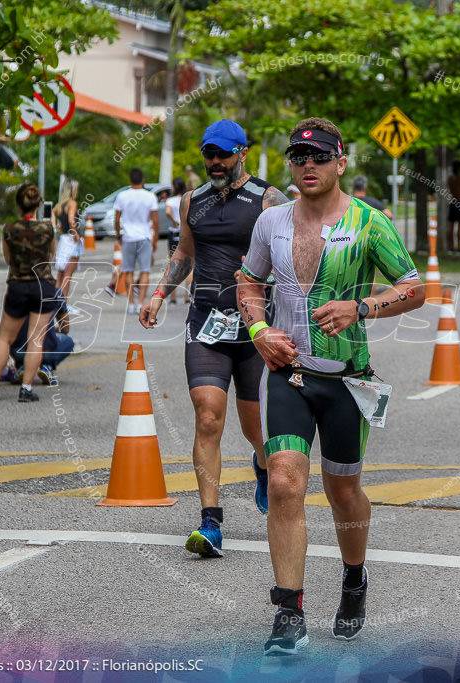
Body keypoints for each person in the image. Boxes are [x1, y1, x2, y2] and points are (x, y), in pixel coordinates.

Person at [237, 117, 424, 655]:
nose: (308, 165)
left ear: (341, 163)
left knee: (343, 491)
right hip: (289, 377)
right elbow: (248, 282)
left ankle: (354, 577)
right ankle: (288, 612)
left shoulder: (370, 223)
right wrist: (258, 331)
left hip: (348, 381)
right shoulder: (270, 222)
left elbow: (414, 290)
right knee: (285, 483)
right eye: (299, 157)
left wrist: (360, 306)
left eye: (319, 156)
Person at [140, 119, 286, 558]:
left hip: (257, 328)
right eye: (209, 154)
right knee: (207, 417)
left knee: (255, 427)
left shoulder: (268, 199)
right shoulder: (192, 201)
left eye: (223, 154)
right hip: (206, 322)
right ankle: (210, 523)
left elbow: (288, 254)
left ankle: (262, 464)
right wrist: (160, 293)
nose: (215, 162)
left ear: (242, 152)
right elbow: (185, 251)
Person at [0, 183, 58, 403]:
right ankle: (26, 389)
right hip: (43, 286)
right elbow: (52, 256)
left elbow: (8, 260)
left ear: (18, 205)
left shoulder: (9, 230)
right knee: (36, 339)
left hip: (18, 285)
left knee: (5, 338)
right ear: (38, 204)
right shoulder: (48, 230)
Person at [114, 168, 158, 315]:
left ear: (130, 180)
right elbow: (155, 220)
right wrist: (155, 239)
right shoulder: (150, 196)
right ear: (143, 180)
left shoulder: (122, 195)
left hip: (128, 236)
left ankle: (131, 303)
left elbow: (116, 218)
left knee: (128, 271)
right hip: (144, 236)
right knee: (145, 270)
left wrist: (118, 234)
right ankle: (141, 303)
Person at [9, 299, 74, 386]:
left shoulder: (18, 290)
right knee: (68, 341)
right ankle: (47, 366)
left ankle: (23, 367)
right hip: (45, 351)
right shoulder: (55, 292)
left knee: (8, 339)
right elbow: (65, 329)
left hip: (19, 351)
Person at [52, 178, 82, 333]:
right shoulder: (72, 203)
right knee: (68, 275)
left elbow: (52, 213)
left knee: (60, 274)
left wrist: (56, 225)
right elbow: (72, 219)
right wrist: (75, 233)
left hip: (62, 239)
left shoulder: (60, 204)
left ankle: (56, 302)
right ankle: (63, 304)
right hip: (70, 240)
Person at [163, 177, 190, 304]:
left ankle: (173, 296)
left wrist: (174, 221)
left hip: (174, 231)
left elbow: (168, 212)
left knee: (173, 262)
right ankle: (187, 296)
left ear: (174, 187)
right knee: (190, 265)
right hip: (186, 231)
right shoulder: (188, 198)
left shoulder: (171, 200)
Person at [447, 160, 460, 255]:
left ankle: (451, 247)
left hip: (452, 202)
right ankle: (458, 247)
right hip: (459, 202)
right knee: (459, 226)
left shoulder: (450, 179)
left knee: (451, 226)